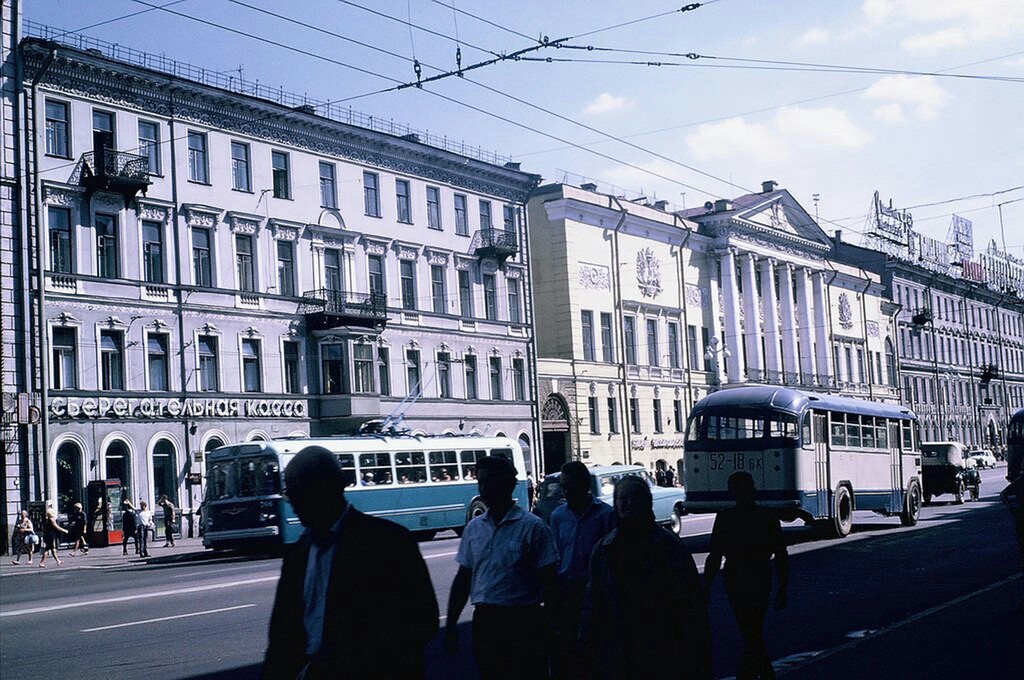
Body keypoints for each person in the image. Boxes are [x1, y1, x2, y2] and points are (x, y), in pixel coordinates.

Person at [262, 446, 438, 679]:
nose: (292, 503)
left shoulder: (388, 543)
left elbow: (422, 620)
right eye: (289, 493)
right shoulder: (297, 556)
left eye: (297, 492)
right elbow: (282, 635)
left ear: (325, 489)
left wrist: (342, 663)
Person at [580, 475, 713, 679]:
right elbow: (593, 604)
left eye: (636, 497)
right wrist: (586, 648)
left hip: (662, 649)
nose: (629, 503)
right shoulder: (604, 549)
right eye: (623, 498)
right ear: (615, 504)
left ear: (648, 503)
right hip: (618, 651)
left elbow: (691, 606)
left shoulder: (671, 548)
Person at [445, 456, 558, 680]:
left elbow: (551, 581)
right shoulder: (474, 529)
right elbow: (463, 578)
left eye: (490, 481)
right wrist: (451, 624)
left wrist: (551, 625)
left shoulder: (533, 527)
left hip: (523, 622)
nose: (484, 488)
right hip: (486, 622)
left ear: (507, 485)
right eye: (481, 482)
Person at [705, 471, 790, 680]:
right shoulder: (767, 517)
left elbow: (714, 556)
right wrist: (782, 587)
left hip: (735, 578)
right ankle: (757, 675)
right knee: (752, 629)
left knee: (749, 630)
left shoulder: (725, 517)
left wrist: (706, 586)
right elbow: (781, 554)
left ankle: (749, 676)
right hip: (760, 576)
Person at [549, 461, 617, 679]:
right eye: (563, 487)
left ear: (585, 485)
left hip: (595, 590)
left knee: (594, 647)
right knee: (568, 647)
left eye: (570, 487)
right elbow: (557, 554)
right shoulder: (558, 516)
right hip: (567, 591)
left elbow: (611, 556)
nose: (566, 492)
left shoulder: (605, 514)